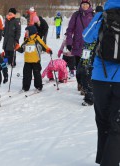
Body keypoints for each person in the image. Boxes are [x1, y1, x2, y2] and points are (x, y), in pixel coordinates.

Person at [83, 0, 120, 165]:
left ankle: (103, 160)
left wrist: (99, 16)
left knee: (103, 121)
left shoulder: (102, 15)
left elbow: (86, 36)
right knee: (117, 124)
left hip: (100, 77)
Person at [66, 0, 94, 91]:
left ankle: (86, 87)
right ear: (81, 5)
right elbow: (70, 30)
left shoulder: (93, 15)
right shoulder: (76, 15)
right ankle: (80, 83)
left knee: (88, 68)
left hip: (89, 46)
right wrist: (69, 42)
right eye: (83, 4)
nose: (85, 6)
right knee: (79, 68)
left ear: (89, 5)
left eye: (86, 4)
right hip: (78, 45)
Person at [16, 25, 52, 91]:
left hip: (36, 61)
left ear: (31, 32)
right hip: (27, 62)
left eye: (27, 31)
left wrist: (48, 50)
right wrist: (18, 48)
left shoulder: (37, 39)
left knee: (37, 75)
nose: (26, 33)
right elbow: (22, 49)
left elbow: (43, 45)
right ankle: (25, 87)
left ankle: (38, 86)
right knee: (26, 75)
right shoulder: (26, 41)